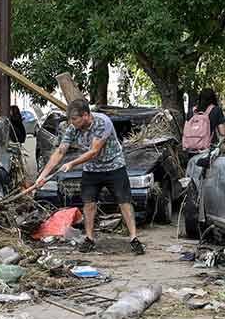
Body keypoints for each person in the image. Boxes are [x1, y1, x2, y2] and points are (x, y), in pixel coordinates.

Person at [34, 99, 145, 256]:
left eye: (74, 119)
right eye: (70, 120)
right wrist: (42, 176)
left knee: (124, 201)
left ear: (85, 115)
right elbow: (60, 151)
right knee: (88, 203)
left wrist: (72, 163)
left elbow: (94, 151)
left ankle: (134, 239)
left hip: (114, 166)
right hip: (91, 170)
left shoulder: (102, 122)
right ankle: (89, 238)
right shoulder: (73, 128)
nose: (72, 123)